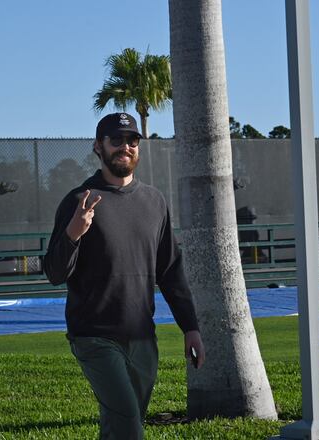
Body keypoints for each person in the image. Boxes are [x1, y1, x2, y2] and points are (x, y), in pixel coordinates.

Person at [43, 112, 205, 439]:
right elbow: (55, 273)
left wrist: (190, 327)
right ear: (98, 146)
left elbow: (170, 271)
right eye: (116, 140)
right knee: (129, 424)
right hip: (94, 337)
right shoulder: (79, 201)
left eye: (132, 140)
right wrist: (74, 233)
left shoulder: (154, 201)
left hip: (143, 337)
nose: (125, 147)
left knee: (121, 426)